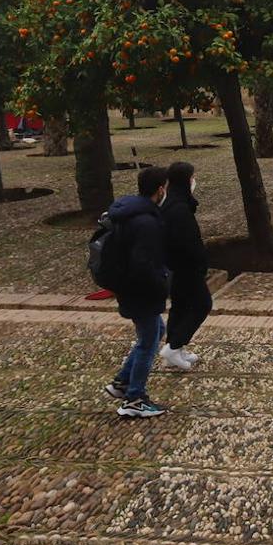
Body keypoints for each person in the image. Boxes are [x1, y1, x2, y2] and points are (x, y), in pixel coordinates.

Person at [103, 166, 171, 418]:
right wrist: (163, 284)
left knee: (156, 331)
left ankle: (122, 381)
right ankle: (134, 398)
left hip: (128, 287)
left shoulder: (129, 212)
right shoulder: (146, 222)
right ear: (160, 190)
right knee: (148, 341)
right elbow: (144, 264)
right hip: (141, 291)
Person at [157, 161, 211, 370]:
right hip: (186, 268)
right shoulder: (178, 209)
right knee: (202, 305)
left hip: (178, 267)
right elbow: (188, 243)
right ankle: (174, 346)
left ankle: (175, 350)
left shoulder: (175, 203)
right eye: (191, 177)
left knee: (179, 307)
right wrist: (200, 264)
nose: (193, 181)